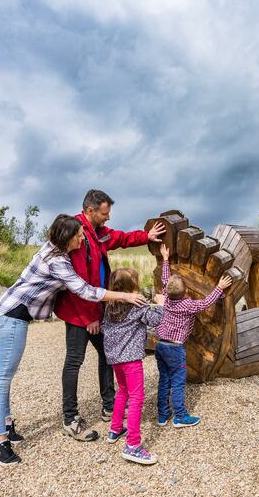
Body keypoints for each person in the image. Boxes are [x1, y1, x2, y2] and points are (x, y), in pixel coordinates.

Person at [0, 214, 147, 467]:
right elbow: (85, 290)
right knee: (3, 376)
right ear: (67, 238)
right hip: (13, 314)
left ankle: (6, 425)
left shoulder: (53, 251)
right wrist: (125, 296)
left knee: (6, 373)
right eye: (79, 235)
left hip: (15, 313)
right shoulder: (58, 261)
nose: (83, 239)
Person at [53, 190, 165, 442]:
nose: (108, 218)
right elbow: (78, 284)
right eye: (104, 214)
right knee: (74, 360)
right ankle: (70, 418)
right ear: (90, 211)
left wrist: (146, 236)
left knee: (108, 353)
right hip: (78, 311)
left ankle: (109, 406)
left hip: (97, 308)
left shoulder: (98, 232)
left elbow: (121, 238)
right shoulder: (77, 235)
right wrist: (89, 317)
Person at [155, 245, 232, 428]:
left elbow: (165, 279)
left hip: (160, 346)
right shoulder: (187, 305)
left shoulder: (166, 298)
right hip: (175, 348)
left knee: (164, 379)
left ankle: (163, 415)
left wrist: (165, 258)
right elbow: (206, 302)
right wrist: (219, 287)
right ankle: (180, 416)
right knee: (178, 382)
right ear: (185, 292)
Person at [102, 264, 164, 465]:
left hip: (115, 360)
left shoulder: (110, 305)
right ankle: (133, 445)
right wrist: (161, 304)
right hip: (131, 360)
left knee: (123, 391)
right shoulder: (138, 304)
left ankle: (115, 428)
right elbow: (155, 320)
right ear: (132, 287)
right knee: (137, 397)